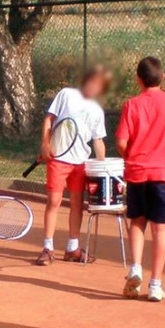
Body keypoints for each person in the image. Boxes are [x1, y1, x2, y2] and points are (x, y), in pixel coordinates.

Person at [116, 57, 165, 302]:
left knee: (137, 222)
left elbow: (121, 142)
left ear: (138, 80)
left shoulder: (131, 105)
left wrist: (132, 157)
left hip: (137, 173)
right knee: (160, 228)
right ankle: (155, 285)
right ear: (162, 78)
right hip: (163, 174)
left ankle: (136, 268)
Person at [36, 65, 111, 266]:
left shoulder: (97, 110)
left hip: (81, 164)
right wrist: (45, 144)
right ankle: (48, 248)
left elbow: (98, 141)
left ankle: (72, 249)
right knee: (53, 201)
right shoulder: (66, 94)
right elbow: (49, 119)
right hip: (58, 159)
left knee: (77, 204)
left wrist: (102, 169)